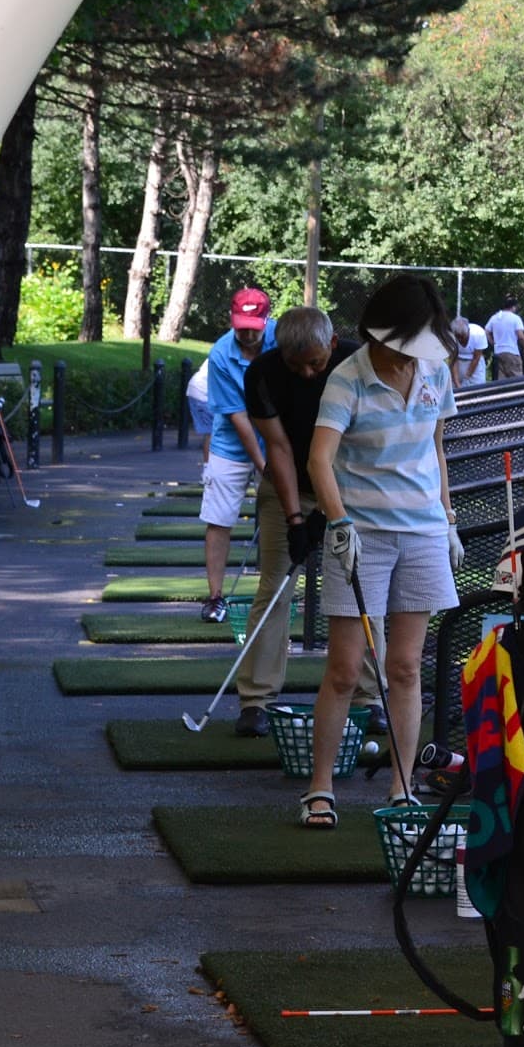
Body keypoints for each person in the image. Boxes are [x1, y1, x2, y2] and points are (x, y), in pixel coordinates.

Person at [298, 275, 463, 828]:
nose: (409, 354)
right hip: (361, 535)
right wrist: (339, 521)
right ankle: (320, 787)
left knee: (406, 666)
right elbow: (319, 459)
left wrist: (449, 520)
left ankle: (401, 787)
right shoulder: (349, 377)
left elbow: (436, 449)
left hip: (423, 533)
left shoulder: (435, 369)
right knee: (346, 669)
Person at [235, 307, 384, 739]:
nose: (305, 373)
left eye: (315, 364)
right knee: (275, 587)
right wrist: (296, 520)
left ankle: (370, 697)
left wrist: (329, 510)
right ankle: (256, 700)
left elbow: (364, 442)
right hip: (288, 486)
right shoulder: (262, 374)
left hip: (350, 484)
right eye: (294, 364)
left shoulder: (359, 363)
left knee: (361, 585)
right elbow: (278, 448)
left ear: (332, 344)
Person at [198, 287, 277, 623]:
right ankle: (215, 597)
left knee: (280, 518)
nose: (247, 334)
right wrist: (262, 466)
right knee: (219, 519)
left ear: (266, 319)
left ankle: (274, 596)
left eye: (253, 328)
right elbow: (239, 418)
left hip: (277, 439)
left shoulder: (282, 340)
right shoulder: (220, 354)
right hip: (230, 444)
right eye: (241, 327)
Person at [483, 295, 524, 380]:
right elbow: (521, 337)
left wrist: (493, 343)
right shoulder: (515, 318)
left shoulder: (495, 317)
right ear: (513, 307)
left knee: (502, 381)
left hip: (498, 352)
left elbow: (486, 331)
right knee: (517, 380)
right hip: (512, 352)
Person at [184, 357, 212, 461]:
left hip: (198, 390)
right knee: (214, 433)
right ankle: (209, 466)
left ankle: (209, 465)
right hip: (203, 393)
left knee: (212, 433)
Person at [449, 315, 485, 386]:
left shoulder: (478, 334)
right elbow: (453, 360)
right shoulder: (451, 337)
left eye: (462, 337)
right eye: (457, 337)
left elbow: (476, 358)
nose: (460, 340)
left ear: (468, 331)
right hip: (458, 363)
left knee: (477, 388)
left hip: (475, 365)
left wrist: (466, 378)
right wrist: (457, 383)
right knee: (456, 388)